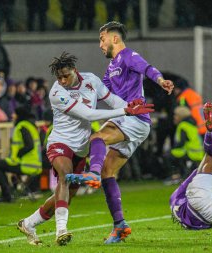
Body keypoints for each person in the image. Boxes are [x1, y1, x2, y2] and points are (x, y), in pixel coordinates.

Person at [17, 52, 154, 246]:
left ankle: (29, 223)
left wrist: (131, 107)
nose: (63, 80)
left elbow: (112, 100)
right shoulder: (57, 93)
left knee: (66, 195)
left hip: (81, 149)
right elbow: (89, 115)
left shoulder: (91, 80)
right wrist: (125, 111)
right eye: (59, 77)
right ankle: (61, 231)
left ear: (75, 71)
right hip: (60, 143)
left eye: (66, 76)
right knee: (64, 176)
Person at [66, 21, 174, 244]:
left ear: (114, 38)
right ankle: (120, 226)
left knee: (97, 138)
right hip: (130, 121)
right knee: (108, 172)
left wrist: (161, 80)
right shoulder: (112, 67)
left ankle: (91, 174)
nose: (100, 44)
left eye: (102, 38)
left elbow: (147, 68)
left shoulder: (128, 56)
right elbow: (99, 91)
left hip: (133, 118)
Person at [0, 106, 42, 202]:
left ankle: (7, 195)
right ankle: (9, 192)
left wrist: (17, 155)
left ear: (19, 115)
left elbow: (29, 146)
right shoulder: (31, 125)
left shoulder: (22, 126)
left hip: (26, 164)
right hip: (35, 164)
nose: (12, 115)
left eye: (14, 113)